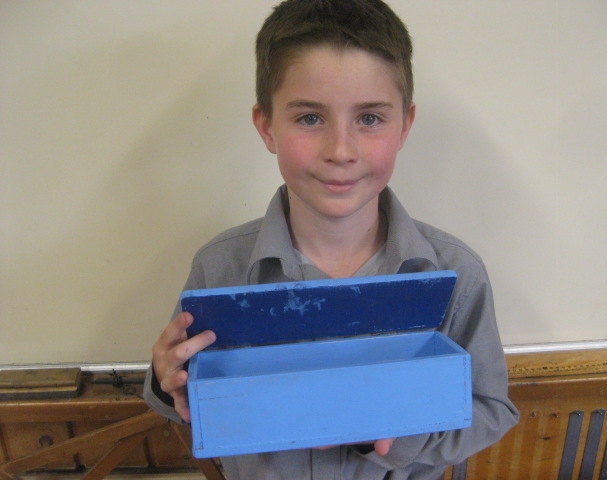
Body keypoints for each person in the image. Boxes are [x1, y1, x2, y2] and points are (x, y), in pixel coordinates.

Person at [144, 0, 519, 478]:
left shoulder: (455, 272)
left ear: (404, 126)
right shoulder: (219, 266)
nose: (340, 151)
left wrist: (379, 430)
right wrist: (168, 381)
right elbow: (182, 398)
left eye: (370, 118)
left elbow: (491, 410)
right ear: (267, 127)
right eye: (309, 118)